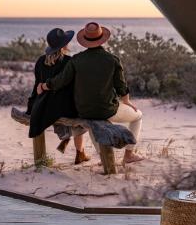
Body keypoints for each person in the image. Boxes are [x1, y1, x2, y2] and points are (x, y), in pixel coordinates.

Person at [38, 21, 144, 164]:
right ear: (102, 39)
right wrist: (127, 101)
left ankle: (103, 156)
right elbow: (121, 86)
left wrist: (44, 86)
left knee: (93, 120)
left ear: (85, 41)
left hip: (84, 111)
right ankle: (129, 155)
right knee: (138, 116)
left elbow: (60, 81)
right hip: (107, 110)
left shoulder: (76, 60)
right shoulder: (112, 59)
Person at [26, 28, 89, 164]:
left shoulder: (41, 61)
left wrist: (31, 106)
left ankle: (68, 139)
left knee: (72, 113)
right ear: (64, 45)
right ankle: (79, 152)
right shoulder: (69, 61)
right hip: (63, 106)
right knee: (82, 118)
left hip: (44, 105)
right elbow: (75, 87)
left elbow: (36, 86)